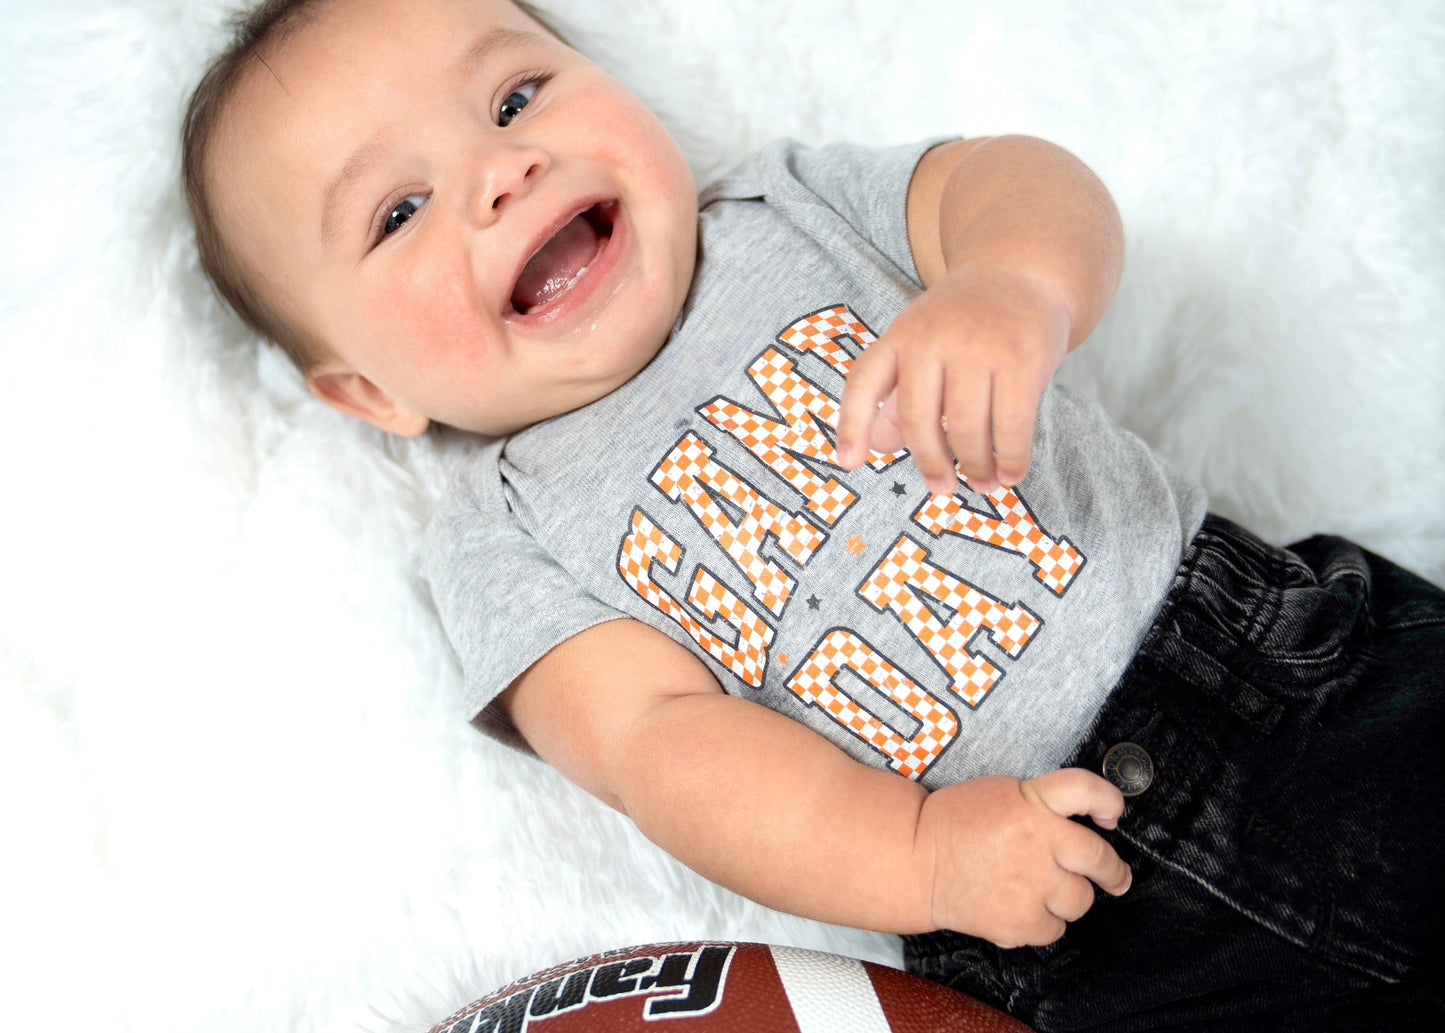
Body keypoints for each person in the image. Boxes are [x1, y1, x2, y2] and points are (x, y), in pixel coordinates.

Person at [181, 0, 1444, 1028]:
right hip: (1065, 903)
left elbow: (1014, 182)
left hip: (1284, 676)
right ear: (365, 390)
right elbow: (663, 750)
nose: (499, 172)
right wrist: (918, 858)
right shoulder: (504, 537)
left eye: (515, 98)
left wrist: (1012, 279)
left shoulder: (791, 209)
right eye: (397, 211)